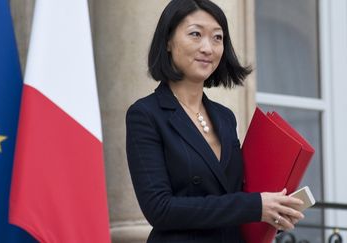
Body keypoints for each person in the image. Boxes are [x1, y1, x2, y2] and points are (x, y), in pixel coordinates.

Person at [125, 0, 305, 242]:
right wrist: (254, 206)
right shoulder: (145, 114)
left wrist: (274, 210)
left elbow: (235, 195)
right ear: (168, 41)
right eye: (195, 34)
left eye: (217, 38)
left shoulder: (225, 117)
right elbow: (160, 209)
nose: (208, 48)